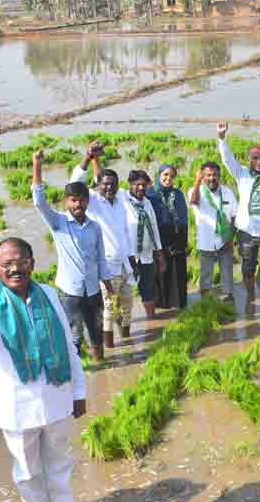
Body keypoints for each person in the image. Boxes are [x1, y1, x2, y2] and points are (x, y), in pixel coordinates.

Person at [0, 238, 100, 502]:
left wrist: (78, 392)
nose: (15, 268)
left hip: (56, 399)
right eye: (7, 264)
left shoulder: (48, 295)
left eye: (21, 261)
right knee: (28, 475)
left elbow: (68, 346)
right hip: (16, 409)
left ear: (32, 263)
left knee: (59, 469)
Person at [32, 149, 111, 362]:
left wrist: (108, 284)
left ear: (87, 202)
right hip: (70, 292)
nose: (78, 205)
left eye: (82, 200)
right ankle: (76, 375)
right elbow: (39, 202)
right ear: (67, 202)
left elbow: (101, 258)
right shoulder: (58, 223)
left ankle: (100, 365)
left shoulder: (94, 227)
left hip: (93, 289)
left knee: (96, 330)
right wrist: (37, 165)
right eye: (73, 200)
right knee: (73, 335)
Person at [70, 142, 135, 348]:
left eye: (112, 184)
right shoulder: (95, 202)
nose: (109, 187)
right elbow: (75, 183)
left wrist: (132, 257)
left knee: (127, 305)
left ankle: (126, 339)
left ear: (117, 185)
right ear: (98, 186)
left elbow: (125, 232)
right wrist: (88, 158)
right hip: (108, 267)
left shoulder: (121, 200)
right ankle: (109, 347)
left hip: (125, 263)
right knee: (108, 307)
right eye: (105, 184)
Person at [217, 122, 260, 303]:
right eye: (255, 158)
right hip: (247, 234)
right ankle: (251, 299)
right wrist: (222, 137)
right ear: (249, 160)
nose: (259, 161)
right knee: (248, 269)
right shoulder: (242, 175)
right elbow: (227, 159)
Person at [188, 162, 237, 301]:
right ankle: (206, 302)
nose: (212, 178)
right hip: (206, 241)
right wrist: (197, 182)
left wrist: (230, 238)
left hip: (225, 241)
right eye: (208, 175)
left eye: (215, 174)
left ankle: (228, 298)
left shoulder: (227, 192)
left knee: (227, 274)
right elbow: (194, 202)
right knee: (205, 276)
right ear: (203, 176)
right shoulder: (195, 190)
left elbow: (234, 216)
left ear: (219, 176)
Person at [123, 169, 166, 321]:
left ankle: (151, 320)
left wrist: (160, 254)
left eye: (144, 185)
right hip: (128, 256)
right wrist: (93, 159)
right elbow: (101, 181)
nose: (141, 188)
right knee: (125, 291)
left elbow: (154, 228)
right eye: (137, 185)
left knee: (148, 288)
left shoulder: (147, 203)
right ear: (130, 184)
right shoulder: (121, 199)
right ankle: (124, 327)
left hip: (147, 255)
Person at [149, 165, 190, 311]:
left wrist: (183, 240)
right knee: (160, 271)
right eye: (165, 175)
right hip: (158, 237)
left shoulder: (177, 194)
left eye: (172, 176)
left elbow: (184, 216)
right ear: (159, 175)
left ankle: (178, 302)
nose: (168, 178)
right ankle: (161, 304)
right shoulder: (150, 193)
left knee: (177, 271)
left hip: (177, 236)